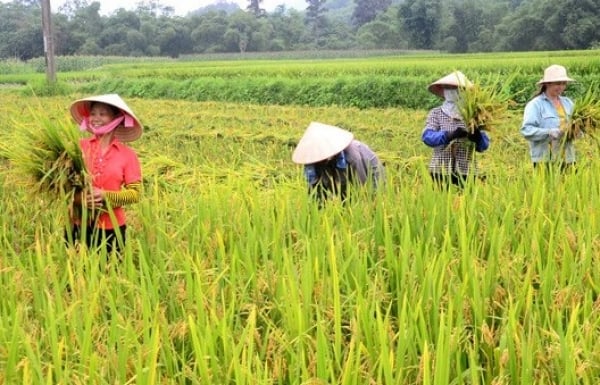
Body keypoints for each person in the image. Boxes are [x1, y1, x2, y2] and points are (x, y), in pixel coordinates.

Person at [67, 94, 143, 254]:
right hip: (78, 224)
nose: (96, 118)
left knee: (109, 275)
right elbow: (59, 185)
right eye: (93, 113)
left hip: (111, 227)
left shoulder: (127, 155)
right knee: (76, 274)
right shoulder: (78, 148)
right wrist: (79, 198)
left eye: (103, 114)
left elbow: (135, 194)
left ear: (116, 118)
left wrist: (104, 196)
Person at [421, 71, 490, 189]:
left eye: (455, 88)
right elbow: (427, 137)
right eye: (447, 88)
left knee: (465, 205)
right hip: (440, 169)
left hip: (466, 170)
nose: (450, 91)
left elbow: (484, 145)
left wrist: (477, 137)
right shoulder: (436, 113)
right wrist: (448, 135)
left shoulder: (473, 114)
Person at [292, 122, 384, 202]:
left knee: (372, 197)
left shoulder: (352, 157)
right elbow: (315, 187)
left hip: (369, 171)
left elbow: (361, 186)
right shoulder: (313, 160)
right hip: (337, 165)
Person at [521, 64, 576, 170]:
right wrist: (549, 132)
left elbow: (577, 126)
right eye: (557, 84)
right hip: (545, 161)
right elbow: (526, 131)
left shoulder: (568, 103)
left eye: (564, 83)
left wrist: (576, 132)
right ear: (547, 84)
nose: (561, 87)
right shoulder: (535, 104)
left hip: (568, 159)